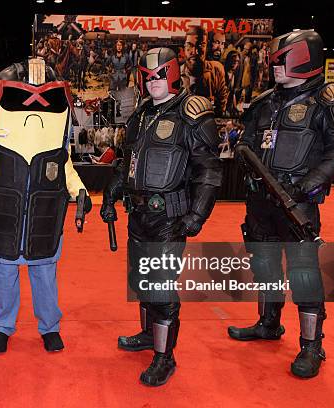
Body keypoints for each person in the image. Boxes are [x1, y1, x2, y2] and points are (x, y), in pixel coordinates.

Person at [227, 30, 334, 379]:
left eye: (279, 58)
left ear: (302, 57)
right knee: (265, 266)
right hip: (260, 201)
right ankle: (268, 323)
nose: (272, 65)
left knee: (304, 274)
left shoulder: (328, 99)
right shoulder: (265, 102)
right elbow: (247, 141)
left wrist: (305, 186)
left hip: (296, 203)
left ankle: (312, 345)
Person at [101, 48, 222, 386]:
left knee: (161, 288)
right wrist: (111, 194)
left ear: (172, 74)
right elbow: (127, 162)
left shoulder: (192, 113)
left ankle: (164, 357)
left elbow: (209, 172)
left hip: (169, 217)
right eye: (147, 76)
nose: (153, 81)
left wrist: (197, 215)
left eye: (159, 75)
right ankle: (146, 334)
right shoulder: (141, 114)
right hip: (138, 213)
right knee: (141, 281)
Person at [0, 58, 91, 355]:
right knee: (3, 275)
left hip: (44, 218)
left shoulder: (59, 141)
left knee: (45, 276)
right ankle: (1, 327)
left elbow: (67, 169)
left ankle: (50, 327)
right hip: (2, 217)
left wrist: (81, 192)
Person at [180, 26, 229, 116]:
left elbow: (221, 105)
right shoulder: (175, 74)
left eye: (201, 45)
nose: (195, 52)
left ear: (206, 47)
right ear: (184, 47)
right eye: (190, 45)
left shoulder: (217, 70)